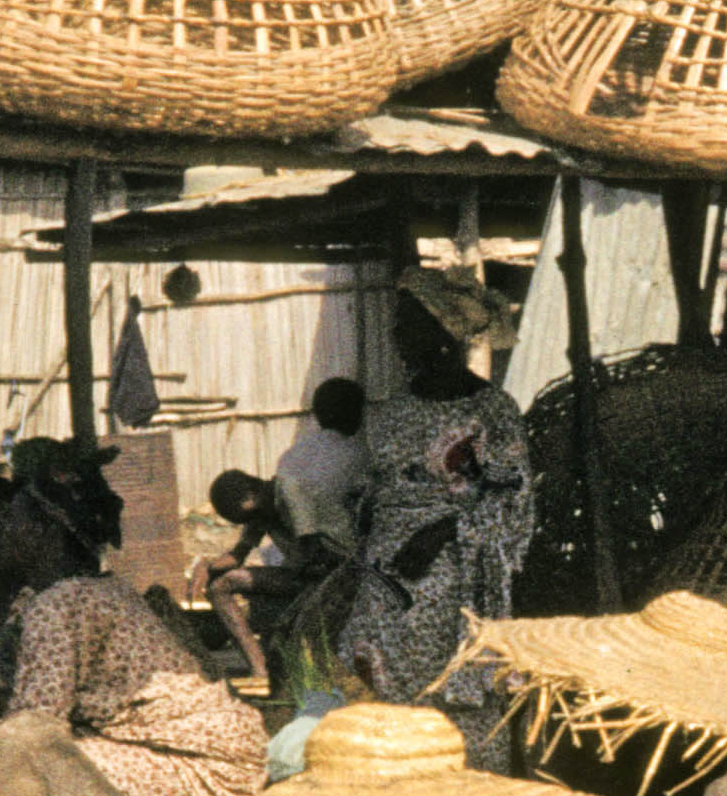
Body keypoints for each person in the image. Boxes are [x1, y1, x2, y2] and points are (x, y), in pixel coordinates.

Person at [0, 438, 265, 796]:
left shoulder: (58, 606)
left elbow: (34, 730)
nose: (3, 533)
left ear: (42, 532)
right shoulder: (102, 590)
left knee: (18, 778)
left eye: (11, 521)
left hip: (207, 766)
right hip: (226, 749)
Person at [336, 274, 530, 764]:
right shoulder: (396, 411)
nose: (396, 336)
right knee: (385, 689)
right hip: (387, 576)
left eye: (406, 324)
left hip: (455, 577)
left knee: (454, 689)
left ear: (443, 332)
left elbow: (514, 500)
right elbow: (378, 489)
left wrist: (443, 531)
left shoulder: (492, 410)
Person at [198, 466, 345, 691]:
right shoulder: (260, 507)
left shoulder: (289, 492)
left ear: (250, 494)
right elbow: (238, 555)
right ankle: (260, 671)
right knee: (219, 586)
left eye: (247, 516)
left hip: (332, 574)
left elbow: (314, 550)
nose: (250, 521)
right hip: (302, 575)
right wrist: (207, 566)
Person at [274, 376, 369, 550]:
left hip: (302, 549)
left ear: (317, 414)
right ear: (355, 412)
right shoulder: (360, 455)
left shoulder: (290, 455)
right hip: (344, 551)